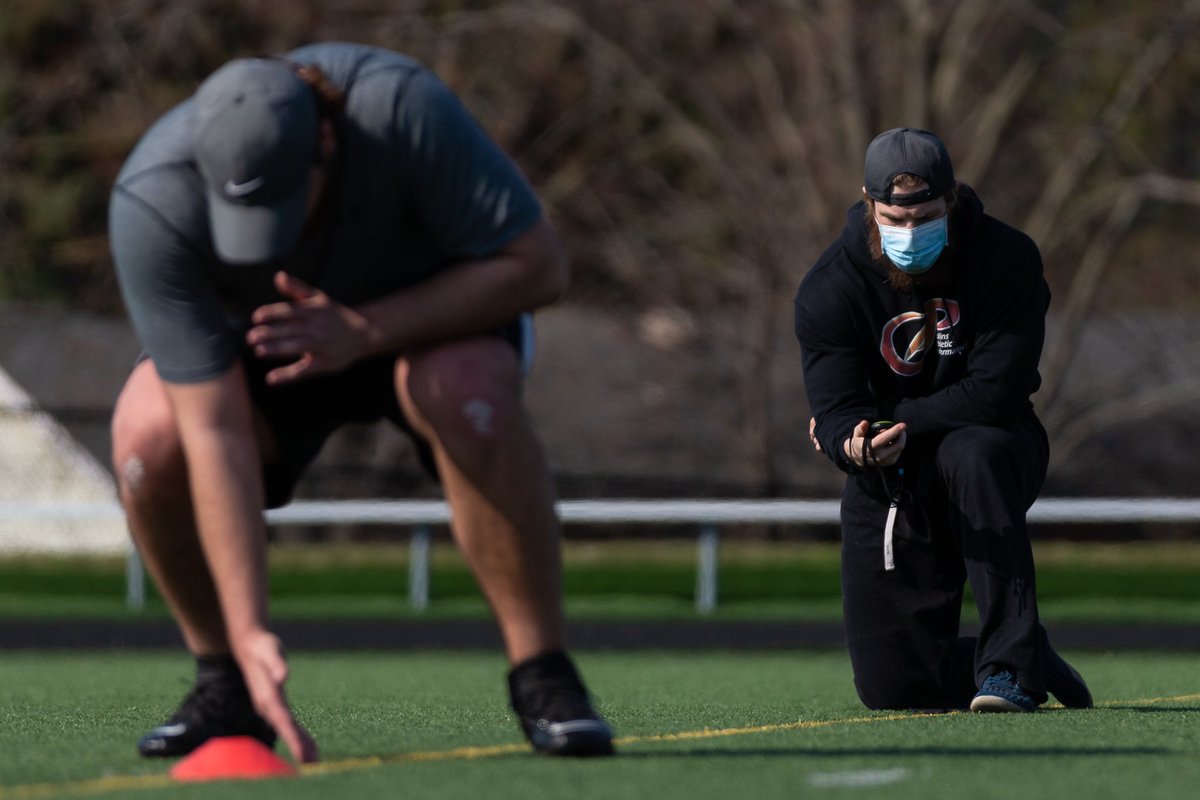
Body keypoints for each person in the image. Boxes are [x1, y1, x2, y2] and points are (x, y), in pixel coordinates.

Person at [108, 42, 614, 762]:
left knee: (468, 394)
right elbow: (211, 429)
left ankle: (545, 675)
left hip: (431, 323)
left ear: (324, 139)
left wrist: (368, 330)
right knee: (146, 434)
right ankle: (225, 681)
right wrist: (250, 630)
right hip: (270, 350)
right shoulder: (151, 198)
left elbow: (540, 266)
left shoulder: (401, 109)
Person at [793, 127, 1093, 713]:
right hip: (892, 472)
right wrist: (850, 442)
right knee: (893, 690)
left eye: (926, 215)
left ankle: (1011, 671)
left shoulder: (1006, 256)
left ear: (951, 198)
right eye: (894, 217)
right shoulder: (829, 287)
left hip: (996, 445)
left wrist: (887, 419)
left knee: (970, 451)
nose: (910, 232)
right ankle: (1024, 648)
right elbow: (833, 409)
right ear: (866, 202)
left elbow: (995, 391)